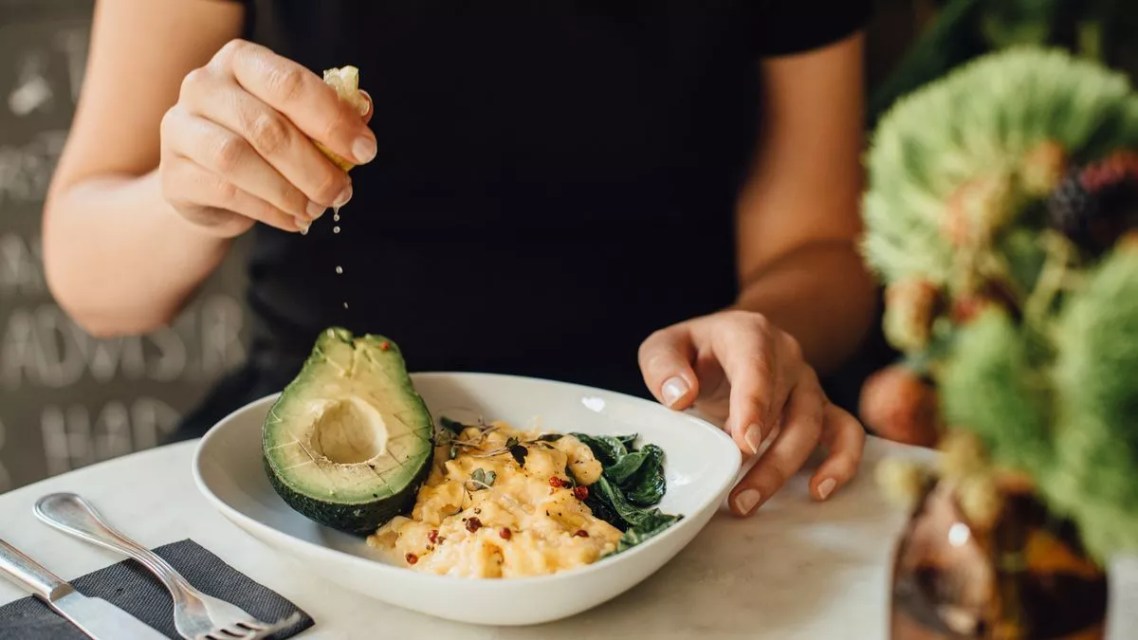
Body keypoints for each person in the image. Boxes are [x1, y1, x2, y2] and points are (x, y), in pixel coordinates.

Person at [43, 1, 878, 518]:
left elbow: (821, 244)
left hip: (668, 442)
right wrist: (189, 195)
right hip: (298, 461)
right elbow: (90, 274)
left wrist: (764, 330)